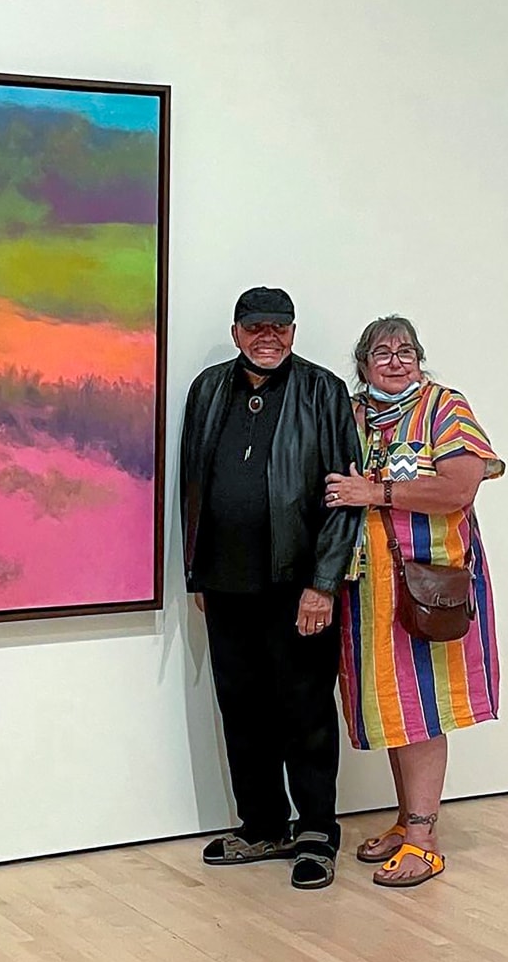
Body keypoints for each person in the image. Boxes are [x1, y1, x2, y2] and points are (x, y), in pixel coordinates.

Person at [181, 286, 361, 889]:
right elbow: (192, 485)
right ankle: (260, 826)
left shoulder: (322, 391)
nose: (269, 337)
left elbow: (344, 495)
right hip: (226, 583)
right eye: (256, 327)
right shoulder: (208, 389)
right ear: (237, 332)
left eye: (279, 327)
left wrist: (323, 583)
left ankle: (315, 834)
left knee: (305, 710)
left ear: (293, 331)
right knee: (243, 709)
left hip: (297, 585)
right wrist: (196, 570)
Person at [325, 317, 501, 888]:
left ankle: (425, 839)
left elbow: (458, 488)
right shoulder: (356, 415)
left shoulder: (443, 407)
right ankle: (407, 822)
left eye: (406, 351)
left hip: (427, 591)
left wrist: (372, 491)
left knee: (422, 709)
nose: (396, 361)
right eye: (382, 352)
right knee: (390, 706)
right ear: (363, 364)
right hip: (367, 590)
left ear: (420, 359)